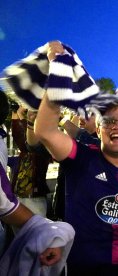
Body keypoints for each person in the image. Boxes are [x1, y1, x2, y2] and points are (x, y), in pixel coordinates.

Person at [34, 41, 118, 275]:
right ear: (99, 129)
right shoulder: (80, 156)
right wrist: (58, 71)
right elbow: (44, 131)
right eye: (109, 120)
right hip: (79, 268)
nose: (117, 125)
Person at [0, 91, 72, 274]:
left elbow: (29, 138)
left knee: (33, 245)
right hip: (15, 198)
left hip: (34, 198)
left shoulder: (44, 148)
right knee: (18, 242)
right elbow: (19, 130)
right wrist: (25, 108)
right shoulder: (24, 150)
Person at [11, 107, 50, 217]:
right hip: (20, 197)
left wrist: (21, 116)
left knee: (36, 233)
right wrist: (16, 113)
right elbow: (19, 135)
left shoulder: (44, 143)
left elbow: (27, 141)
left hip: (34, 199)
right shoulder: (26, 149)